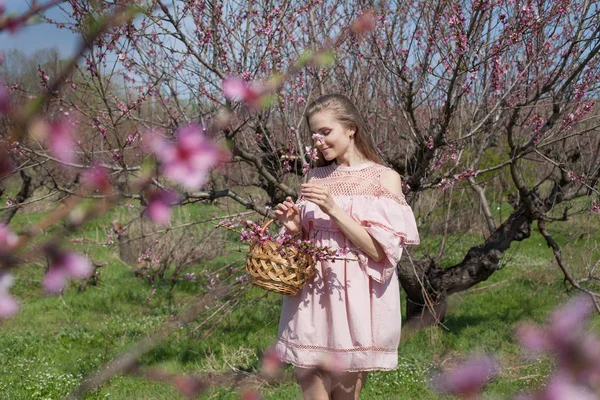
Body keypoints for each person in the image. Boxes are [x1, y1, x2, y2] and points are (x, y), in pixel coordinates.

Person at [273, 93, 419, 400]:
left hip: (355, 303)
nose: (319, 143)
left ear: (350, 128)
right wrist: (295, 229)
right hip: (311, 297)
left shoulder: (385, 179)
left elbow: (381, 252)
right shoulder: (315, 176)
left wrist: (334, 209)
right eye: (314, 136)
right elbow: (309, 247)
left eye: (325, 132)